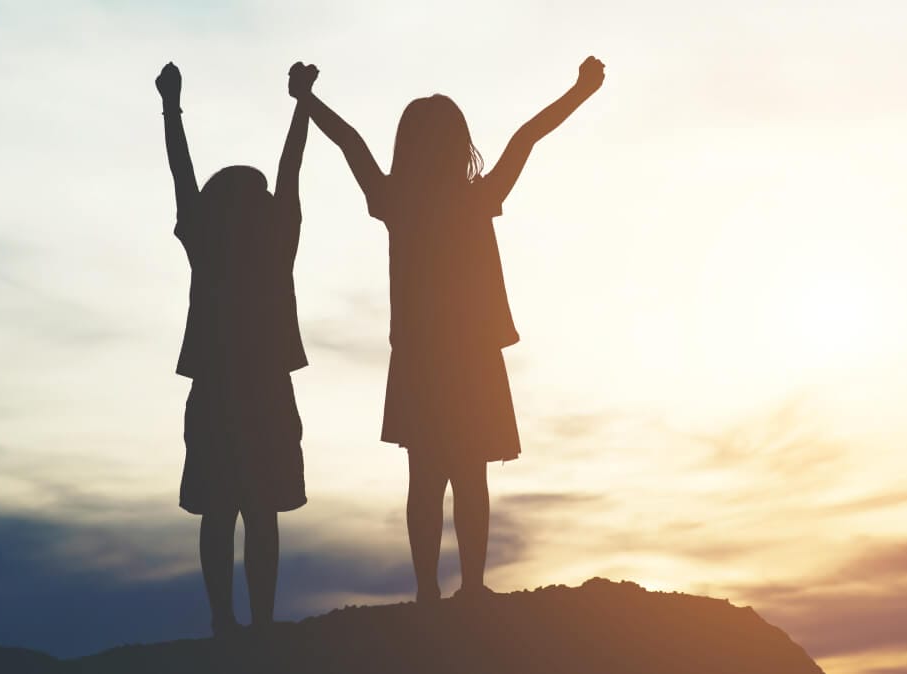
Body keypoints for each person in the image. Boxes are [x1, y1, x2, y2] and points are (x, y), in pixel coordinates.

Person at [290, 57, 605, 602]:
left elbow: (350, 143)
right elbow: (526, 137)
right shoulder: (472, 198)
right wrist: (581, 90)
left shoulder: (398, 201)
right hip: (471, 357)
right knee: (468, 476)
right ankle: (470, 588)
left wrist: (306, 99)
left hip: (421, 358)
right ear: (458, 144)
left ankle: (428, 592)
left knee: (427, 480)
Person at [156, 61, 317, 635]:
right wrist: (302, 104)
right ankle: (258, 622)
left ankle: (225, 620)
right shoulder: (274, 234)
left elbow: (183, 173)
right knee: (259, 511)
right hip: (266, 386)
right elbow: (290, 168)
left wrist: (172, 105)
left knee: (221, 512)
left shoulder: (209, 236)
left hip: (218, 387)